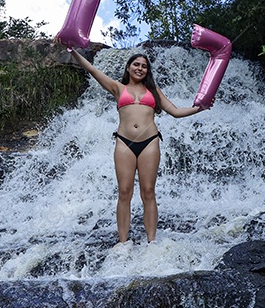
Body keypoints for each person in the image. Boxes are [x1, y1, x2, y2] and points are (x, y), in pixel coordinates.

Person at [66, 48, 202, 243]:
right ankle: (122, 243)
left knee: (148, 191)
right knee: (124, 192)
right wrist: (73, 52)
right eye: (136, 65)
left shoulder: (153, 91)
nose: (140, 69)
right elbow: (93, 70)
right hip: (124, 142)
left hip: (150, 142)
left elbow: (175, 111)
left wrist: (200, 107)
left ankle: (152, 241)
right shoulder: (117, 88)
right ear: (128, 67)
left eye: (144, 66)